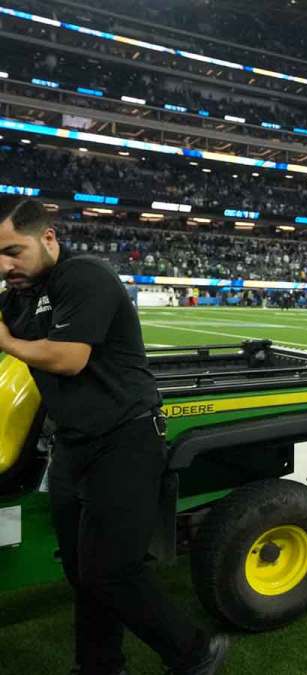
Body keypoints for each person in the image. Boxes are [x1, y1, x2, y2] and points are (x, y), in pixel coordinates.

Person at [0, 197, 229, 675]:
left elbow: (69, 358)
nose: (5, 266)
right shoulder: (16, 293)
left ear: (48, 238)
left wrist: (5, 340)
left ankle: (195, 653)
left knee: (112, 571)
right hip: (72, 442)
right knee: (81, 572)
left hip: (124, 437)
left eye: (13, 252)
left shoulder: (86, 277)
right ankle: (99, 666)